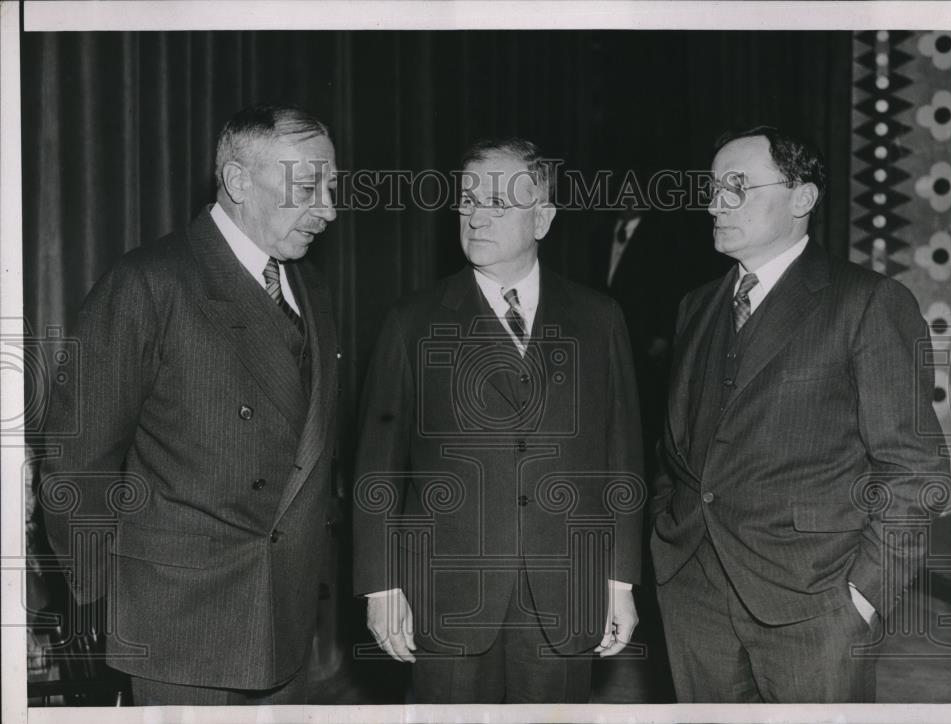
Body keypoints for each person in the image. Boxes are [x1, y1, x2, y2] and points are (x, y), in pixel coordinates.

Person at [38, 102, 341, 705]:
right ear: (238, 182)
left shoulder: (311, 288)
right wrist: (98, 601)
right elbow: (77, 463)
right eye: (309, 188)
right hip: (178, 624)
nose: (329, 209)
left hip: (284, 618)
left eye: (332, 188)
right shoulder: (148, 282)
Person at [650, 126, 949, 702]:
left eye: (737, 187)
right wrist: (670, 547)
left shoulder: (868, 302)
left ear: (802, 198)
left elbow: (915, 470)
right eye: (712, 188)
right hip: (694, 595)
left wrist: (863, 596)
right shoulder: (695, 306)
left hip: (816, 604)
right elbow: (675, 453)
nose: (715, 204)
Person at [353, 138, 645, 703]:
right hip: (446, 595)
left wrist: (619, 580)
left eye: (496, 203)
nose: (475, 217)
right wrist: (381, 585)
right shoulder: (412, 321)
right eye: (467, 201)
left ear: (543, 219)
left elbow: (622, 457)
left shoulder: (599, 318)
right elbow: (377, 466)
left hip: (567, 591)